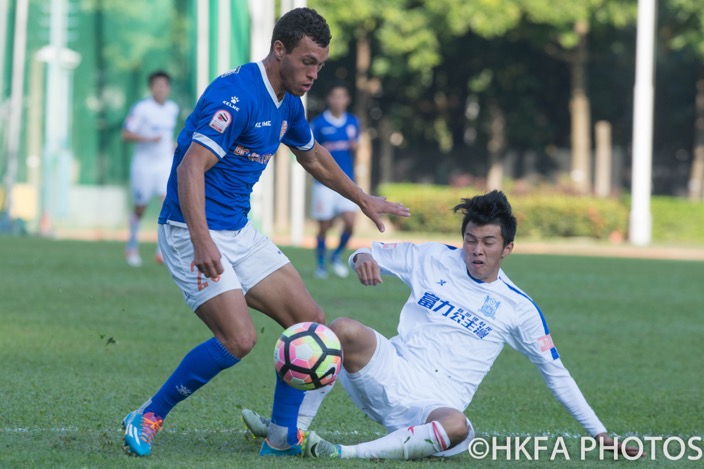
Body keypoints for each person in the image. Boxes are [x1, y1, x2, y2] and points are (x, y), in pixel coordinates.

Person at [121, 7, 409, 458]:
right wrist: (201, 240)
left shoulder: (289, 99)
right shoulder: (235, 95)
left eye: (320, 64)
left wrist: (362, 198)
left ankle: (280, 435)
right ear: (279, 50)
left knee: (311, 322)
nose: (314, 73)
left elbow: (312, 157)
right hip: (188, 228)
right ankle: (149, 414)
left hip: (238, 229)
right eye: (307, 61)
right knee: (239, 339)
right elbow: (191, 167)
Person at [242, 190, 641, 460]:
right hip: (389, 369)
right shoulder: (434, 256)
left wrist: (599, 433)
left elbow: (556, 374)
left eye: (488, 242)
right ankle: (288, 434)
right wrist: (360, 258)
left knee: (459, 428)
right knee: (339, 329)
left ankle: (343, 453)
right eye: (471, 240)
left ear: (508, 248)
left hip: (431, 406)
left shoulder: (519, 309)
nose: (477, 250)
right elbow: (366, 249)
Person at [122, 70, 179, 267]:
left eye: (164, 85)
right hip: (143, 165)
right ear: (151, 87)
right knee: (140, 207)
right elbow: (126, 134)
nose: (160, 89)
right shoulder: (142, 108)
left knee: (168, 203)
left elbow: (166, 136)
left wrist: (172, 145)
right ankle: (131, 246)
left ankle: (161, 251)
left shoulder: (172, 108)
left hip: (164, 163)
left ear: (168, 88)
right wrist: (148, 139)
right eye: (157, 85)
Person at [309, 82, 359, 279]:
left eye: (342, 97)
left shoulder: (353, 122)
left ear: (347, 100)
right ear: (329, 100)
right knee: (324, 225)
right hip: (324, 184)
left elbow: (354, 148)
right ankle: (320, 264)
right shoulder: (319, 123)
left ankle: (336, 256)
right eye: (335, 96)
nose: (338, 101)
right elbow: (311, 151)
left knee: (350, 222)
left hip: (346, 182)